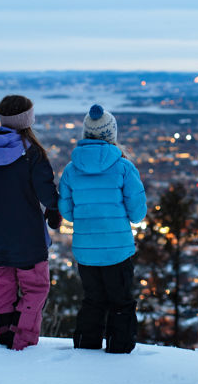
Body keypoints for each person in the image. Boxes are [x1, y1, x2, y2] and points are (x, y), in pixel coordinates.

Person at [0, 94, 62, 351]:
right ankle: (22, 338)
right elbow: (47, 192)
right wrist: (54, 209)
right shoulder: (33, 153)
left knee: (3, 287)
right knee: (36, 287)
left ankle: (3, 334)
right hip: (29, 238)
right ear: (28, 119)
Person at [58, 104, 147, 353]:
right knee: (121, 301)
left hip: (85, 250)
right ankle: (119, 350)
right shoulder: (123, 167)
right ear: (112, 134)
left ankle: (86, 347)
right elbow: (138, 213)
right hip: (118, 251)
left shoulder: (71, 169)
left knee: (93, 300)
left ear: (86, 133)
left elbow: (67, 212)